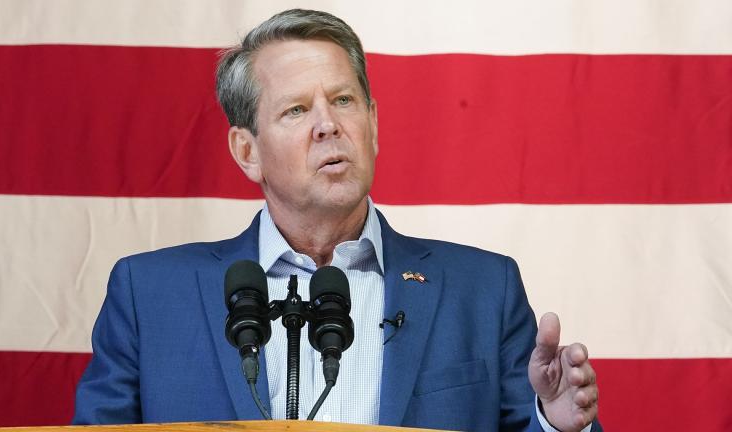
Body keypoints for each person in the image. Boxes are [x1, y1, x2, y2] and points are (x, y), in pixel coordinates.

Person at [74, 9, 601, 432]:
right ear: (246, 150)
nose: (328, 125)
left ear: (371, 123)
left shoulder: (483, 289)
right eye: (296, 110)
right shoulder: (149, 295)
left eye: (344, 100)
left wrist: (554, 424)